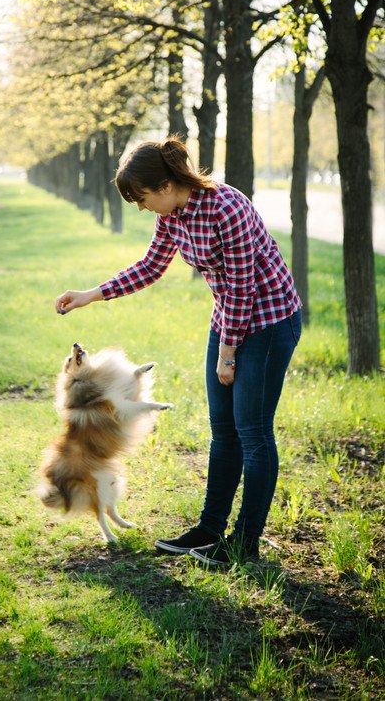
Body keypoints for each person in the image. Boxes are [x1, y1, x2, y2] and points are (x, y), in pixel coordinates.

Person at [54, 136, 302, 568]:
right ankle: (209, 529)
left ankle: (244, 544)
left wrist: (228, 355)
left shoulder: (227, 206)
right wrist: (89, 295)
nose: (142, 206)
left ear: (166, 184)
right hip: (228, 319)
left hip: (268, 322)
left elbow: (244, 287)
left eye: (143, 197)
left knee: (253, 433)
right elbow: (151, 267)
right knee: (223, 430)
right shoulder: (174, 214)